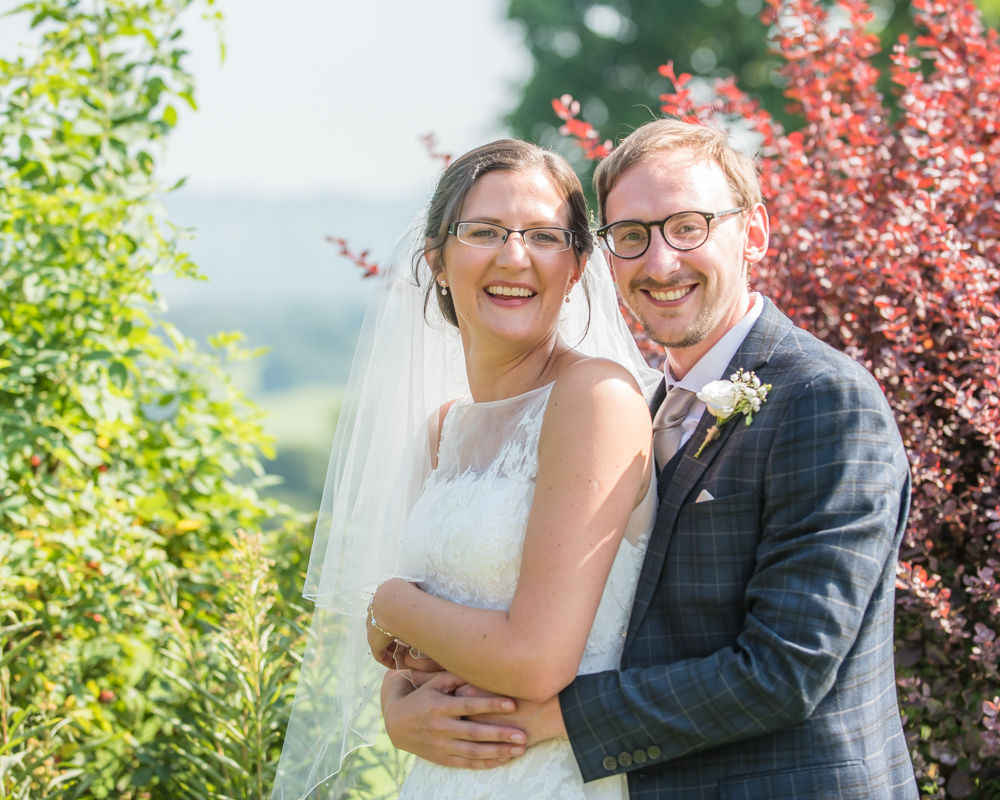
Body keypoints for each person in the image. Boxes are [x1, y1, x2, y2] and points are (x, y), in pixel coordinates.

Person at [382, 118, 919, 798]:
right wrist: (404, 711)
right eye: (633, 236)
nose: (660, 262)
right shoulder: (648, 404)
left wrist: (549, 718)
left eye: (688, 226)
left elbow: (785, 671)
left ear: (754, 233)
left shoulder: (826, 401)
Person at [271, 139, 662, 800]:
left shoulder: (594, 399)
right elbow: (414, 641)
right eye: (484, 232)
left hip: (555, 778)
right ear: (438, 261)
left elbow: (534, 662)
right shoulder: (443, 432)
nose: (515, 256)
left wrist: (390, 601)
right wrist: (401, 703)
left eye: (543, 235)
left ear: (575, 267)